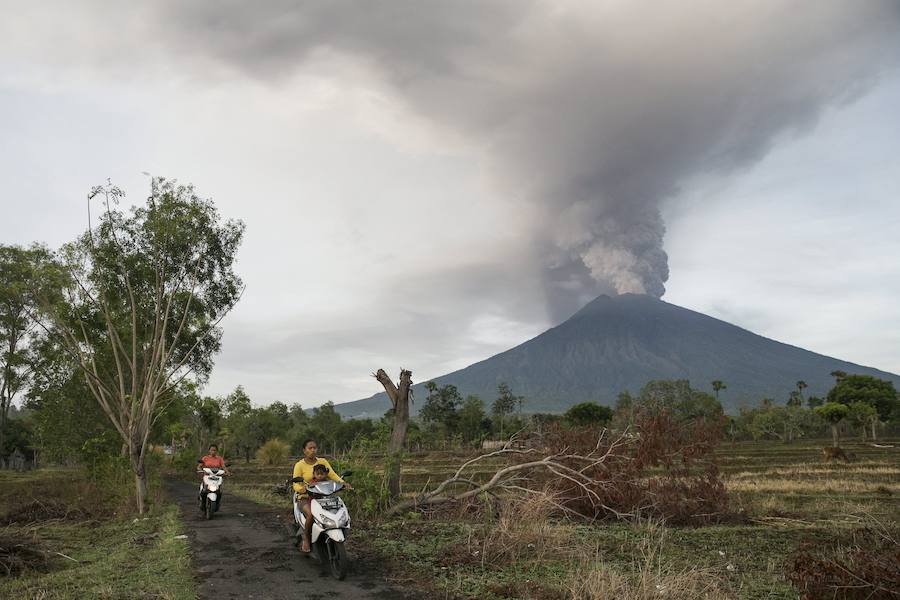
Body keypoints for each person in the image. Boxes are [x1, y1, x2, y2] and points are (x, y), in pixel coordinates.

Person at [292, 439, 351, 553]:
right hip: (305, 498)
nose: (313, 450)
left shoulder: (323, 461)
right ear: (304, 450)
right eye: (310, 448)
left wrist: (343, 483)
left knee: (338, 508)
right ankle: (306, 539)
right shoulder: (299, 465)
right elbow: (295, 483)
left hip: (324, 496)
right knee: (310, 514)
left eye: (315, 448)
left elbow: (333, 475)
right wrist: (301, 489)